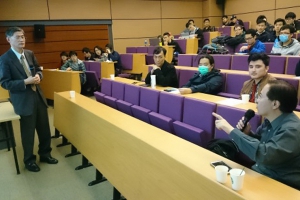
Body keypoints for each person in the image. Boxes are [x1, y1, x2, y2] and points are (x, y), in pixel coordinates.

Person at [213, 79, 300, 190]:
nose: (256, 100)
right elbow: (263, 142)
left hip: (280, 184)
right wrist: (248, 134)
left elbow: (264, 154)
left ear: (275, 104)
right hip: (261, 173)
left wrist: (229, 129)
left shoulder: (293, 129)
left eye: (261, 96)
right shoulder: (270, 120)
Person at [0, 27, 58, 172]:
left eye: (23, 36)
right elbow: (5, 82)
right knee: (28, 133)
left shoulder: (30, 53)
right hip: (23, 100)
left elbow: (38, 68)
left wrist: (39, 75)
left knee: (45, 130)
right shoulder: (5, 59)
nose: (22, 39)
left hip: (38, 96)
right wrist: (25, 82)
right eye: (18, 37)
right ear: (8, 40)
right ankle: (29, 160)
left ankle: (45, 154)